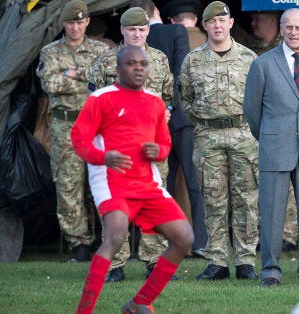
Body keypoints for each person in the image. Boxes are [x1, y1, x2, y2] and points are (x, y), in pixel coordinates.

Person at [73, 45, 193, 314]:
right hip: (112, 180)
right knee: (115, 236)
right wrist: (104, 157)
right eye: (131, 63)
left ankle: (139, 303)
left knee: (184, 238)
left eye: (143, 63)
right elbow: (79, 141)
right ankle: (84, 310)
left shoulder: (155, 102)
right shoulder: (100, 99)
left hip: (146, 184)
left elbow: (164, 144)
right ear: (118, 69)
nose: (138, 68)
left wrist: (157, 151)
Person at [244, 8, 299, 287]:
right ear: (281, 30)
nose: (293, 33)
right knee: (271, 213)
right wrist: (269, 136)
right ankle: (270, 270)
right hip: (274, 146)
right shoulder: (263, 63)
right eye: (288, 27)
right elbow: (252, 111)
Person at [88, 7, 173, 283]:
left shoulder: (159, 59)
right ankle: (115, 264)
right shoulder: (106, 61)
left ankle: (154, 261)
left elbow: (169, 95)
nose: (137, 34)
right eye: (131, 30)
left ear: (148, 30)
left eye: (141, 29)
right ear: (122, 31)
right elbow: (93, 99)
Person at [179, 1, 260, 281]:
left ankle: (246, 261)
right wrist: (206, 123)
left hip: (243, 135)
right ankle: (217, 261)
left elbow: (261, 98)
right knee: (213, 200)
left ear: (230, 22)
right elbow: (186, 99)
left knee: (246, 199)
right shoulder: (193, 60)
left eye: (221, 20)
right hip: (208, 137)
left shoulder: (249, 58)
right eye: (211, 22)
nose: (217, 25)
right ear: (204, 26)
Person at [132, 0, 208, 258]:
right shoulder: (175, 32)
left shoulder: (131, 40)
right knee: (193, 182)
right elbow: (180, 73)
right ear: (156, 12)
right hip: (178, 118)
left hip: (146, 121)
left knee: (154, 184)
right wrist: (171, 109)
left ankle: (153, 244)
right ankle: (199, 242)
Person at [36, 0, 109, 263]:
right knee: (68, 184)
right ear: (63, 24)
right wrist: (84, 75)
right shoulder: (50, 51)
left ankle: (108, 239)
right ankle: (78, 243)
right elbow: (50, 84)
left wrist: (71, 72)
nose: (75, 27)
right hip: (65, 126)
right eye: (70, 22)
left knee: (103, 182)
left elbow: (104, 81)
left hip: (97, 126)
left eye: (80, 22)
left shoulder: (102, 50)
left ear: (87, 22)